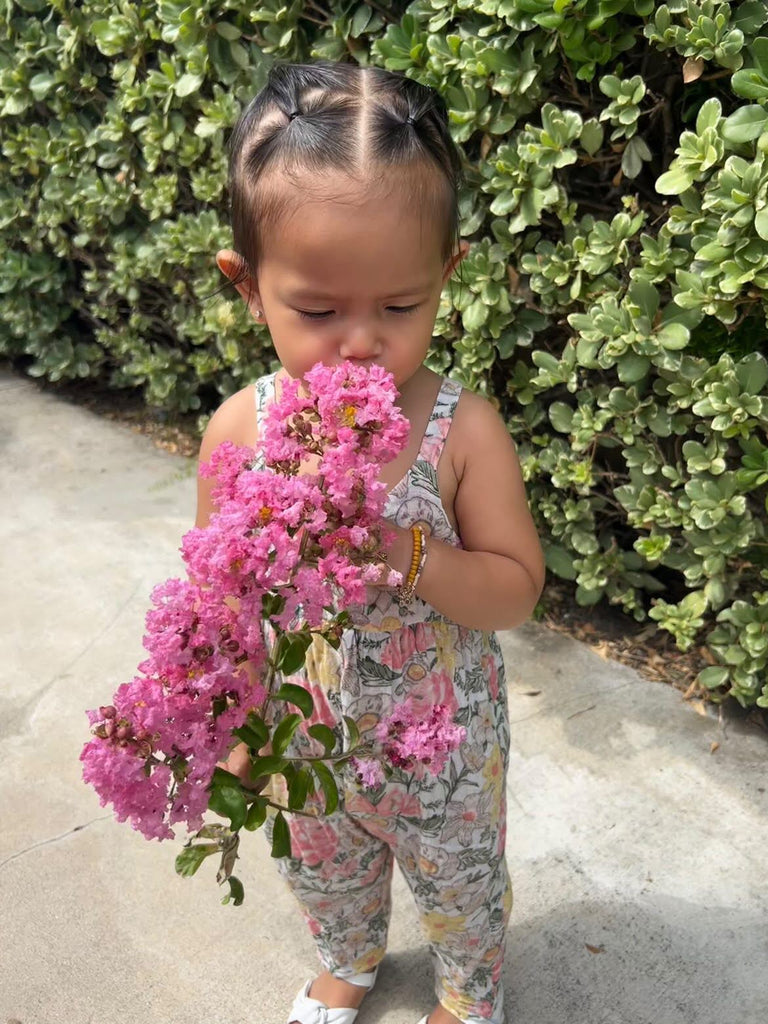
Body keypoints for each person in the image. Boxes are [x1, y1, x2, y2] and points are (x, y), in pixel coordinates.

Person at [195, 60, 545, 1024]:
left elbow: (516, 588)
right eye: (318, 311)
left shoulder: (460, 430)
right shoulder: (240, 432)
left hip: (445, 743)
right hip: (308, 733)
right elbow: (221, 601)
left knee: (461, 876)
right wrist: (227, 724)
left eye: (401, 308)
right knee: (322, 860)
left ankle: (471, 992)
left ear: (449, 276)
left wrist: (408, 551)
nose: (362, 345)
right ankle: (349, 954)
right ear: (249, 288)